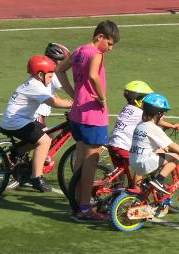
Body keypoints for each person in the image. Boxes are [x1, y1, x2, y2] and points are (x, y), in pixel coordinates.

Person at [56, 20, 120, 221]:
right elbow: (93, 76)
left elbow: (59, 70)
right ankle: (84, 207)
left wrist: (73, 94)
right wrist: (101, 98)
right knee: (91, 161)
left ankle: (76, 201)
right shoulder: (96, 54)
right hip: (93, 115)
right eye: (109, 43)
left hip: (77, 114)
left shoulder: (78, 51)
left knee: (81, 157)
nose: (110, 49)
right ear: (99, 37)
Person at [0, 55, 73, 192]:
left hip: (22, 119)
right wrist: (72, 104)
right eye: (50, 76)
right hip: (15, 122)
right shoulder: (35, 86)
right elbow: (53, 102)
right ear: (40, 74)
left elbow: (53, 97)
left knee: (49, 133)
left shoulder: (37, 82)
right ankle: (36, 177)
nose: (51, 80)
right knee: (44, 141)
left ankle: (18, 151)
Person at [108, 80, 179, 190]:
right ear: (140, 100)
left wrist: (170, 125)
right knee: (140, 166)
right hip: (124, 146)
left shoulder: (127, 108)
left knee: (120, 178)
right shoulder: (140, 113)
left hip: (113, 144)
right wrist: (172, 126)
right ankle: (137, 196)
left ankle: (115, 196)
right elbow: (155, 121)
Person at [129, 93, 179, 195]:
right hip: (145, 163)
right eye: (163, 113)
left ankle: (148, 185)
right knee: (175, 157)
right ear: (158, 113)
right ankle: (159, 180)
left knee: (161, 155)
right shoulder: (153, 128)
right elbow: (171, 145)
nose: (163, 115)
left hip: (134, 161)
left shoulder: (140, 125)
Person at [34, 42, 74, 125]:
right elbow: (68, 88)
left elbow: (52, 93)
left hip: (38, 114)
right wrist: (77, 101)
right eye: (64, 61)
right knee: (49, 138)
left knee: (53, 137)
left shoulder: (45, 71)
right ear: (56, 60)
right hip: (36, 115)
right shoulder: (53, 74)